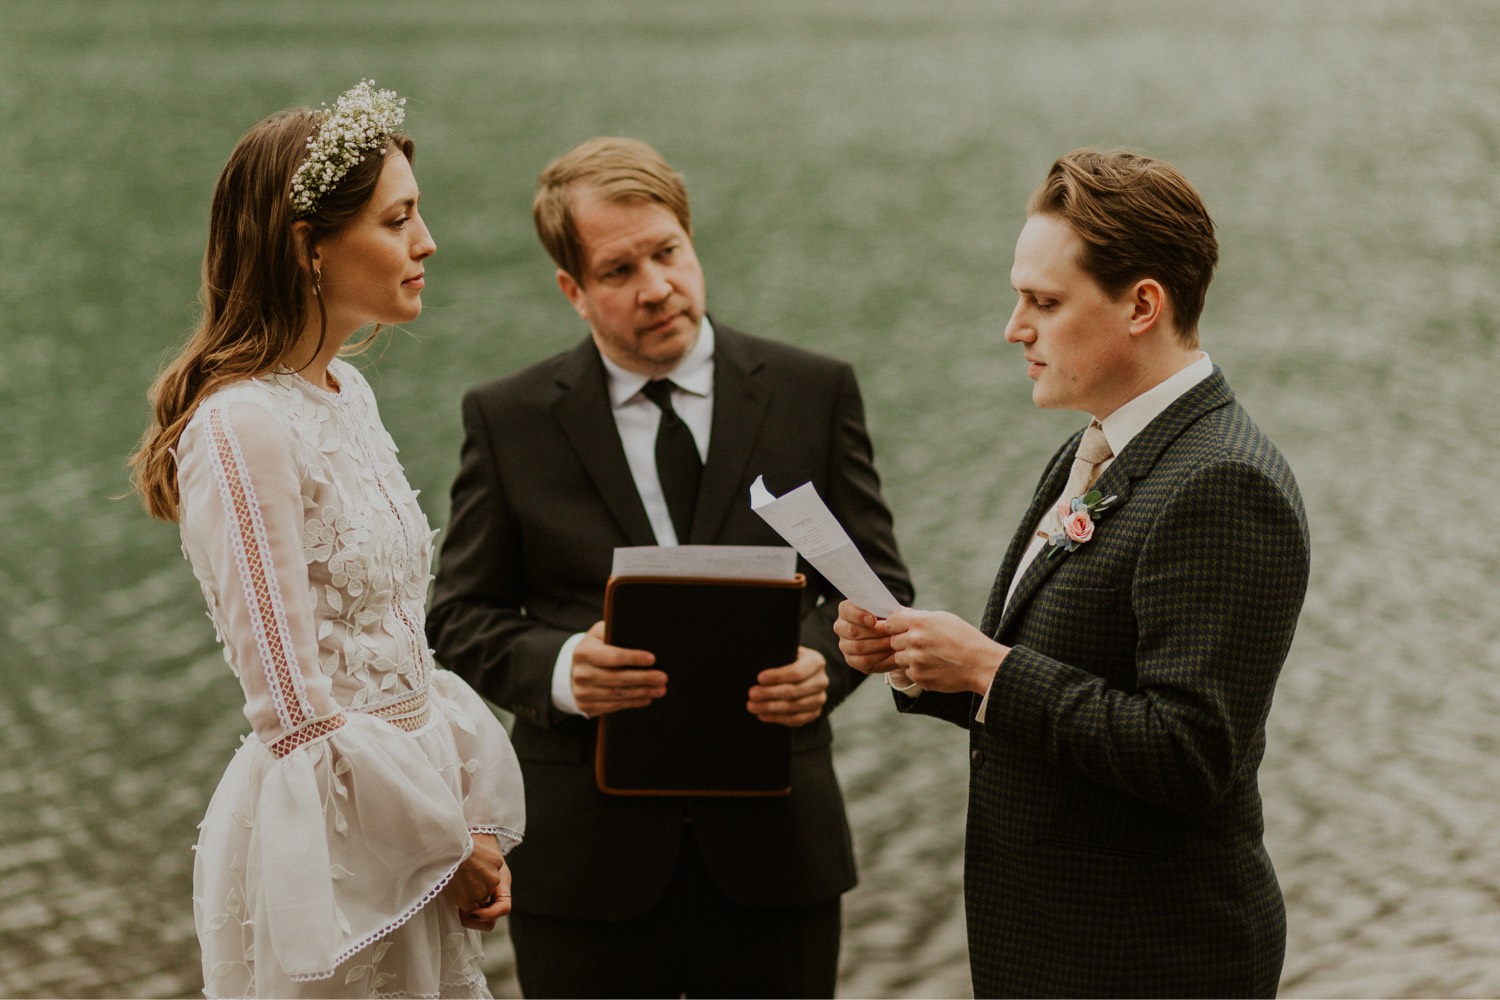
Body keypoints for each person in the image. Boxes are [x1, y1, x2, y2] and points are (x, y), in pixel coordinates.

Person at [426, 136, 912, 998]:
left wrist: (823, 664)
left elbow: (874, 582)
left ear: (692, 244)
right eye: (619, 271)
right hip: (585, 864)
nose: (656, 287)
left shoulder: (813, 390)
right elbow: (460, 614)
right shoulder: (510, 419)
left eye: (669, 253)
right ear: (572, 290)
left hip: (778, 850)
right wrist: (567, 669)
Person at [836, 148, 1311, 998]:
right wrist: (922, 660)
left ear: (1142, 305)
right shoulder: (1097, 444)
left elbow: (1191, 753)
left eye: (1044, 303)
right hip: (1054, 950)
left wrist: (986, 666)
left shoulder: (1223, 483)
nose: (1013, 327)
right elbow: (1064, 678)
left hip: (1150, 961)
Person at [128, 80, 525, 998]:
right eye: (398, 221)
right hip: (341, 841)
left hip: (415, 813)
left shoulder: (350, 392)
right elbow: (293, 707)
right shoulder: (240, 427)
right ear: (308, 246)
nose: (426, 244)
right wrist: (437, 840)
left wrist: (461, 813)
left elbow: (400, 644)